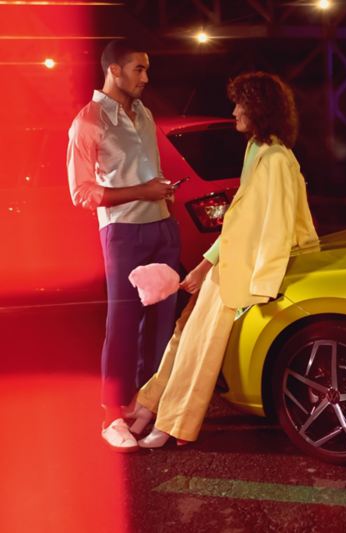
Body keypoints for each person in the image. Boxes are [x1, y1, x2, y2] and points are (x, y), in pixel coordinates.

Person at [130, 71, 318, 448]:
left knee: (199, 346)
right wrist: (204, 265)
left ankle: (173, 424)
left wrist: (263, 286)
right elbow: (237, 224)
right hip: (231, 263)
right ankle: (149, 405)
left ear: (258, 108)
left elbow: (279, 225)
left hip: (247, 273)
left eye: (239, 104)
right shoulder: (256, 151)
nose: (233, 111)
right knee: (184, 335)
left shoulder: (277, 159)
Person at [66, 39, 179, 452]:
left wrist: (162, 193)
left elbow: (151, 171)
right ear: (113, 70)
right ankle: (112, 414)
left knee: (163, 324)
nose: (146, 78)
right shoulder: (88, 121)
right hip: (123, 233)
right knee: (123, 325)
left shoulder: (144, 113)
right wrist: (142, 192)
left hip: (163, 228)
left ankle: (147, 407)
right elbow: (81, 192)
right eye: (138, 69)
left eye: (146, 69)